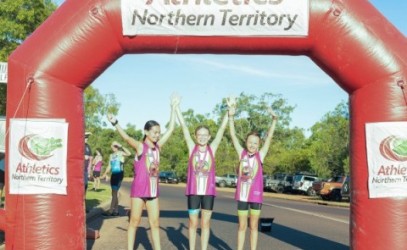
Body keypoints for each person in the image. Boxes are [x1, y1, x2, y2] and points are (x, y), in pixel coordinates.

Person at [107, 95, 178, 250]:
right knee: (134, 222)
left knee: (155, 223)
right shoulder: (141, 147)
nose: (157, 135)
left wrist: (173, 109)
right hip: (139, 190)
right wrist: (115, 123)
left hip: (153, 191)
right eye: (154, 132)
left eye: (158, 132)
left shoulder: (158, 146)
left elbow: (171, 129)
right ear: (146, 132)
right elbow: (126, 138)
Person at [175, 96, 229, 250]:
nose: (203, 137)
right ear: (195, 136)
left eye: (205, 135)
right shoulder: (192, 148)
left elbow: (221, 130)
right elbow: (184, 127)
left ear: (209, 137)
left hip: (208, 193)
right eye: (200, 135)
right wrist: (177, 107)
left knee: (205, 224)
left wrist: (228, 113)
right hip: (193, 192)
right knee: (193, 223)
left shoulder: (212, 149)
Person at [228, 98, 278, 250]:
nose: (252, 145)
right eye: (250, 142)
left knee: (254, 226)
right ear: (246, 142)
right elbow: (233, 135)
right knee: (242, 226)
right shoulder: (241, 153)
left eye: (255, 143)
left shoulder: (260, 155)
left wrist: (274, 120)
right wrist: (231, 117)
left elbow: (269, 137)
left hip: (256, 196)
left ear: (259, 145)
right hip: (242, 196)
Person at [101, 141, 131, 216]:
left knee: (114, 192)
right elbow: (109, 166)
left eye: (115, 146)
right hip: (113, 174)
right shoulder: (111, 155)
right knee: (114, 193)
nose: (114, 147)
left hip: (119, 173)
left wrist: (121, 145)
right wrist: (105, 173)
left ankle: (111, 211)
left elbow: (129, 153)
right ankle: (116, 211)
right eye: (113, 146)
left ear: (117, 146)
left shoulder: (120, 153)